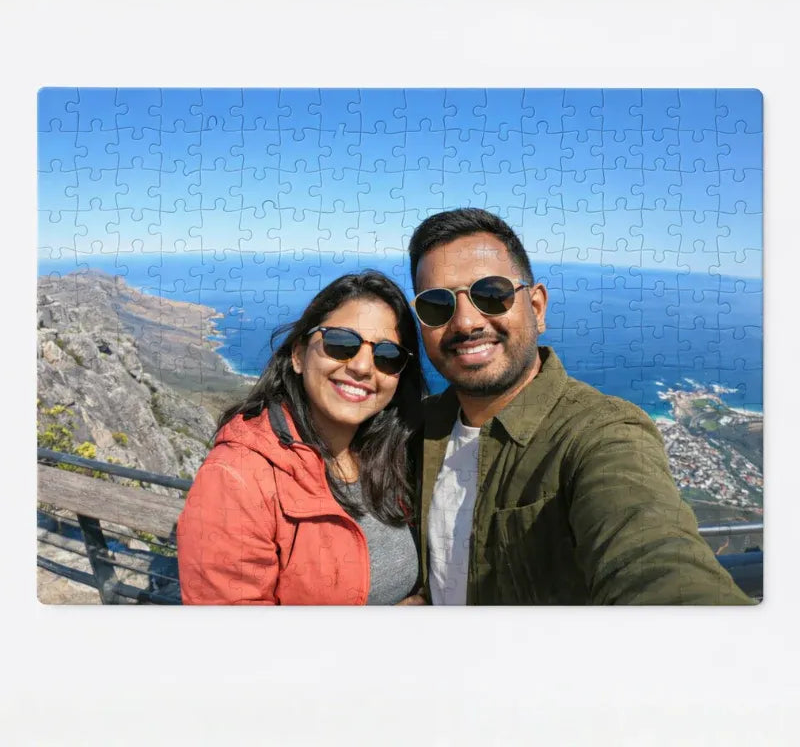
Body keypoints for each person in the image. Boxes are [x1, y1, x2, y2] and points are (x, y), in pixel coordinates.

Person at [408, 208, 753, 605]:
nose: (466, 322)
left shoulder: (602, 434)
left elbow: (655, 561)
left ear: (536, 308)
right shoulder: (421, 426)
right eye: (437, 304)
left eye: (491, 294)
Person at [177, 271, 426, 605]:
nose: (364, 367)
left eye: (388, 356)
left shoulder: (394, 454)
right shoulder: (237, 476)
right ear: (298, 355)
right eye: (341, 343)